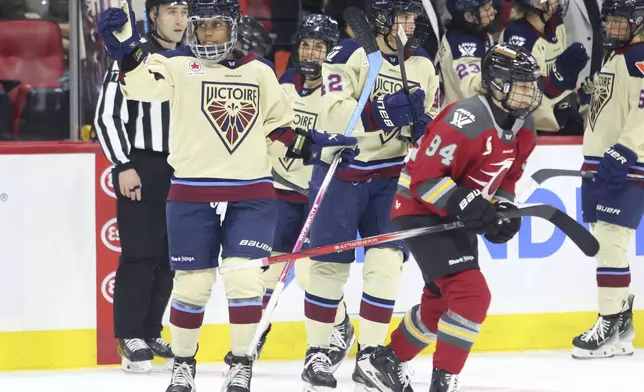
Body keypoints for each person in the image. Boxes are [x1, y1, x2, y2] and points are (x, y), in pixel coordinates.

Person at [97, 0, 359, 391]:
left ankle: (241, 363)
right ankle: (183, 364)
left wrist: (318, 145)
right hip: (190, 191)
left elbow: (279, 130)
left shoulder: (260, 71)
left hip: (250, 192)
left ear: (233, 29)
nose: (206, 35)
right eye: (200, 27)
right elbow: (139, 87)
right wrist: (126, 51)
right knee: (191, 285)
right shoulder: (176, 63)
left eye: (215, 27)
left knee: (245, 283)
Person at [357, 43, 544, 392]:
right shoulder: (465, 118)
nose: (528, 92)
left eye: (530, 84)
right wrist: (471, 204)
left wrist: (503, 208)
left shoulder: (525, 127)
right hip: (419, 209)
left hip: (453, 213)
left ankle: (386, 362)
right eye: (519, 83)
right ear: (495, 83)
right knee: (472, 296)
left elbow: (509, 176)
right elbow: (424, 179)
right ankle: (443, 383)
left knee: (443, 302)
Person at [300, 0, 440, 390]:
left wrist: (423, 126)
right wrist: (383, 112)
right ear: (380, 18)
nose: (408, 24)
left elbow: (427, 116)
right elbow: (332, 113)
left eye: (412, 17)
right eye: (400, 16)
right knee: (330, 267)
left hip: (391, 178)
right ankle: (318, 351)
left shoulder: (422, 64)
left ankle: (372, 356)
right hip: (343, 171)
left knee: (385, 263)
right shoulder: (348, 53)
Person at [223, 13, 357, 370]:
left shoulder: (338, 94)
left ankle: (338, 327)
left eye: (320, 47)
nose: (311, 53)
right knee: (267, 271)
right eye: (306, 45)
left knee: (315, 273)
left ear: (332, 51)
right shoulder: (281, 88)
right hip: (279, 191)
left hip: (319, 194)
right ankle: (256, 333)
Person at [94, 0, 188, 373]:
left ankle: (150, 331)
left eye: (184, 12)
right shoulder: (132, 54)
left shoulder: (190, 60)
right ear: (153, 16)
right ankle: (129, 334)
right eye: (171, 12)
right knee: (140, 253)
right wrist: (124, 165)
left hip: (183, 169)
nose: (180, 20)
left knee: (170, 257)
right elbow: (107, 116)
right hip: (143, 165)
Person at [574, 0, 641, 360]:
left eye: (620, 21)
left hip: (626, 163)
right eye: (610, 20)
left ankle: (608, 320)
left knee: (610, 242)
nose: (612, 27)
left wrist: (626, 149)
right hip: (603, 162)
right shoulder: (620, 55)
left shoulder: (639, 56)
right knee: (608, 239)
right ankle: (622, 323)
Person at [499, 0, 588, 132]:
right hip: (526, 127)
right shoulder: (518, 37)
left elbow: (561, 76)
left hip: (552, 111)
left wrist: (579, 96)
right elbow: (522, 99)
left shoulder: (555, 24)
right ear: (535, 3)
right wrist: (558, 83)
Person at [438, 0, 498, 107]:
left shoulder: (477, 32)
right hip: (461, 115)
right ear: (469, 16)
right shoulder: (463, 45)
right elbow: (471, 91)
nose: (494, 11)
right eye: (487, 9)